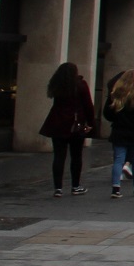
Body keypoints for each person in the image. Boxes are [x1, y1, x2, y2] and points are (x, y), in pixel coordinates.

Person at [39, 62, 96, 197]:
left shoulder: (57, 85)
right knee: (76, 156)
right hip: (75, 124)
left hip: (57, 123)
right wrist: (91, 123)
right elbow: (88, 106)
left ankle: (58, 188)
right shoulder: (80, 85)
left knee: (59, 156)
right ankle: (75, 186)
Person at [102, 69, 134, 198]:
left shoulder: (116, 94)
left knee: (118, 160)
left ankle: (116, 188)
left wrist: (117, 118)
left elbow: (107, 114)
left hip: (119, 131)